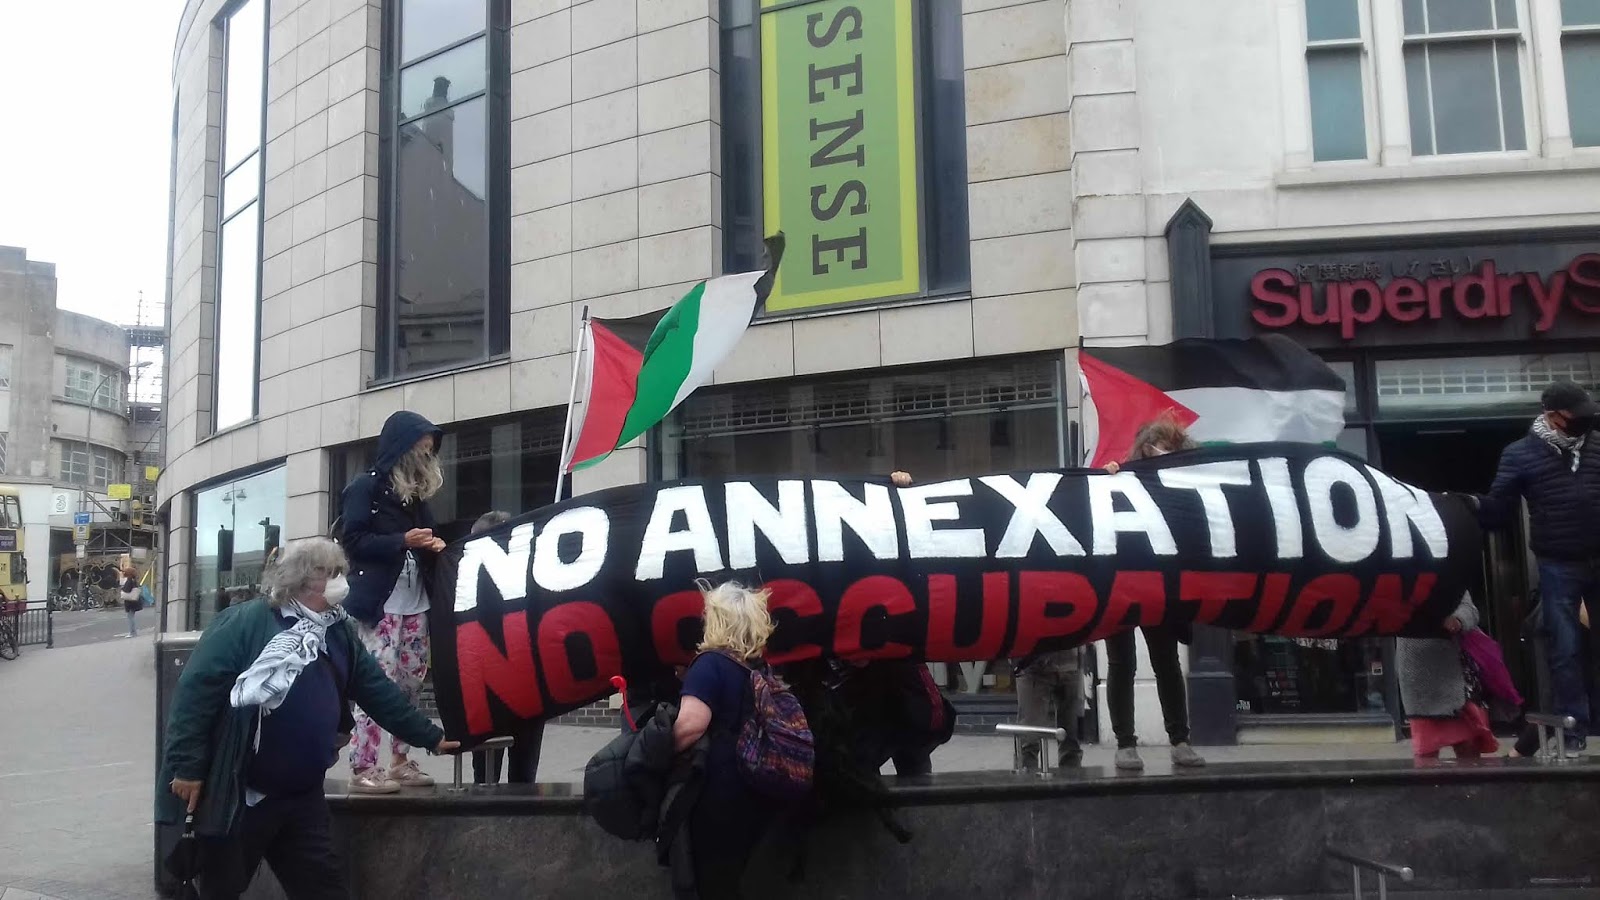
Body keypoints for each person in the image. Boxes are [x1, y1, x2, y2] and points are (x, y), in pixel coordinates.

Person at [156, 538, 458, 899]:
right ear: (299, 579)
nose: (339, 581)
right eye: (328, 573)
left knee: (324, 890)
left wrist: (430, 737)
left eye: (340, 572)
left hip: (302, 796)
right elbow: (195, 695)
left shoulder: (338, 631)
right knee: (221, 889)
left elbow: (378, 691)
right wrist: (188, 767)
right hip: (244, 796)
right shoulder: (245, 622)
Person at [1477, 381, 1600, 753]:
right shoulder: (1520, 454)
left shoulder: (1597, 445)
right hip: (1558, 562)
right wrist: (1469, 509)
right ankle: (1574, 731)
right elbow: (1498, 508)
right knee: (1566, 650)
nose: (1585, 422)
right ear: (1552, 415)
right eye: (1576, 416)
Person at [340, 410, 447, 793]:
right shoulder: (364, 488)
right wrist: (403, 541)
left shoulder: (414, 496)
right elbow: (352, 540)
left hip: (415, 602)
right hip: (381, 605)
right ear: (402, 447)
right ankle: (364, 765)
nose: (427, 456)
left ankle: (400, 760)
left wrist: (432, 545)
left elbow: (424, 537)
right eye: (422, 448)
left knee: (411, 684)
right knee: (377, 683)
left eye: (430, 450)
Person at [1102, 415, 1206, 771]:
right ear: (1146, 449)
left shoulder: (1182, 483)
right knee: (1122, 663)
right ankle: (1126, 744)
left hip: (1159, 585)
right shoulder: (1122, 477)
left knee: (1166, 663)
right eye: (1162, 448)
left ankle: (1179, 741)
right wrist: (1106, 479)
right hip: (1121, 583)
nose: (1165, 455)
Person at [672, 581, 783, 899]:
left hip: (718, 794)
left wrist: (653, 751)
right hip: (757, 787)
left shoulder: (709, 664)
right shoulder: (757, 668)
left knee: (714, 883)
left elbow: (690, 726)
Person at [468, 511, 545, 786]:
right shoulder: (535, 575)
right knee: (502, 776)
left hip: (514, 688)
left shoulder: (536, 576)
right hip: (507, 688)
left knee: (497, 777)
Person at [1397, 594, 1497, 760]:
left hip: (1452, 676)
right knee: (1426, 755)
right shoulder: (1399, 584)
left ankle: (1473, 778)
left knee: (1468, 749)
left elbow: (1469, 609)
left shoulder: (1447, 580)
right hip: (1417, 679)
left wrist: (1458, 620)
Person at [1013, 648, 1084, 770]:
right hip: (1033, 665)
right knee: (1029, 737)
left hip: (1070, 662)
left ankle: (1072, 778)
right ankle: (1025, 778)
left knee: (1071, 739)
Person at [119, 566, 142, 638]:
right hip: (134, 602)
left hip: (130, 602)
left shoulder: (129, 580)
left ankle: (132, 632)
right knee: (131, 617)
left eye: (125, 572)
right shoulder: (134, 580)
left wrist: (122, 588)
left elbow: (126, 590)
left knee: (130, 617)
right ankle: (133, 632)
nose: (123, 573)